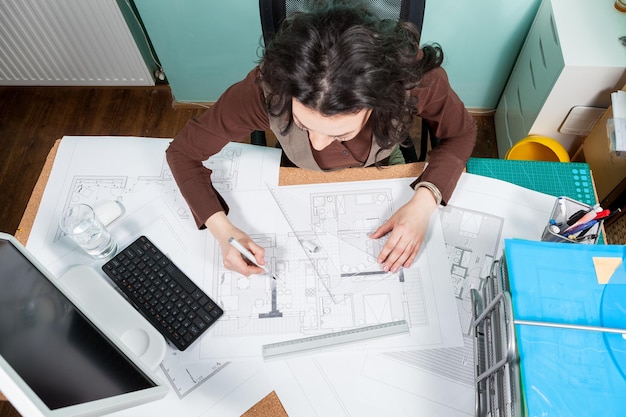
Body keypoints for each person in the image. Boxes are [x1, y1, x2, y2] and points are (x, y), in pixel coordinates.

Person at [166, 1, 476, 277]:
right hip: (297, 172)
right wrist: (225, 233)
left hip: (384, 167)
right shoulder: (264, 91)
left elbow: (461, 133)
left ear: (380, 100)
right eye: (303, 124)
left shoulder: (415, 82)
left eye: (340, 133)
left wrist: (424, 202)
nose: (316, 144)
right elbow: (182, 154)